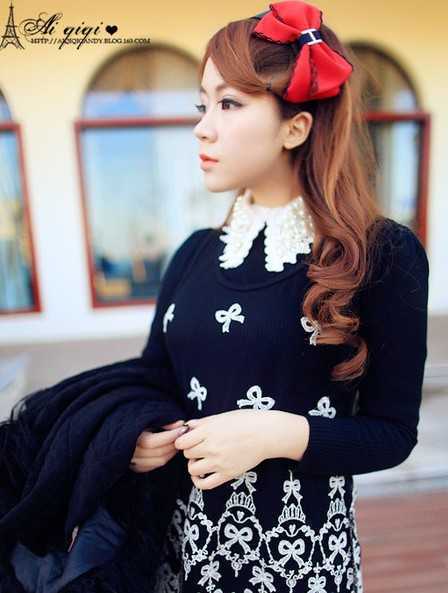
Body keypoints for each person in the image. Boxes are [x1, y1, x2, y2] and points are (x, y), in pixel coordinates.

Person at [127, 2, 429, 592]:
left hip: (298, 562)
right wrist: (136, 434)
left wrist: (275, 434)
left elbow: (393, 432)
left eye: (229, 104)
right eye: (203, 105)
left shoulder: (381, 253)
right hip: (180, 551)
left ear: (296, 127)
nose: (202, 128)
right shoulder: (193, 253)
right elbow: (152, 378)